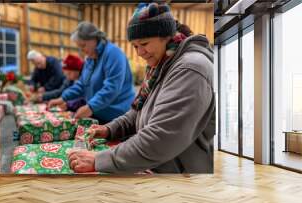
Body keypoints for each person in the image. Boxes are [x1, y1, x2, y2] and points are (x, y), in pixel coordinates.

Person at [67, 2, 215, 174]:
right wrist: (109, 129)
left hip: (183, 177)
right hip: (161, 165)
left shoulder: (189, 69)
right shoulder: (160, 65)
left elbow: (162, 138)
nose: (139, 52)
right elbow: (139, 111)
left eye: (144, 43)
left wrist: (100, 160)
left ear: (166, 36)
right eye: (135, 46)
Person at [48, 21, 135, 124]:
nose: (82, 50)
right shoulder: (90, 59)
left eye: (83, 45)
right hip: (98, 113)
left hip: (117, 116)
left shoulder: (113, 54)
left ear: (94, 39)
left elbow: (112, 87)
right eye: (79, 47)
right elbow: (81, 84)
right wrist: (63, 98)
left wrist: (90, 107)